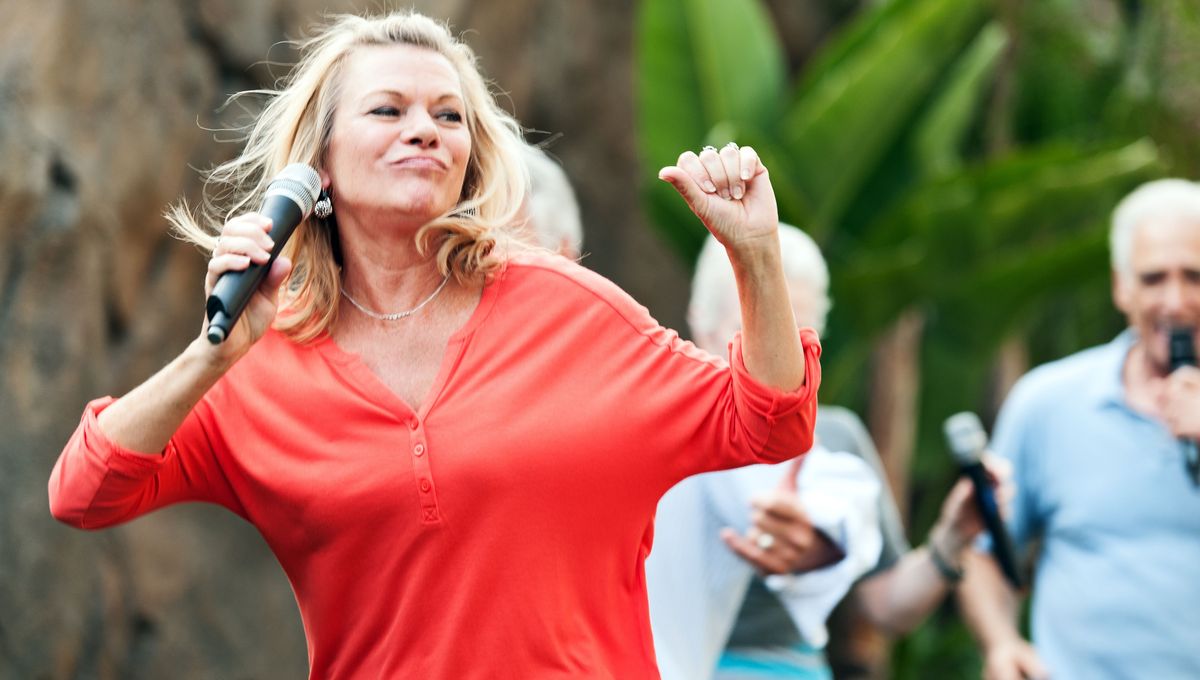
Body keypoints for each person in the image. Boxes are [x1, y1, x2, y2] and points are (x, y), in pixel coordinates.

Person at [46, 11, 821, 679]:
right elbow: (84, 493)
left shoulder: (567, 309)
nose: (425, 127)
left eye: (449, 116)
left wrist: (754, 259)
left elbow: (769, 420)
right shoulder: (255, 362)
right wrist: (211, 354)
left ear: (470, 157)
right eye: (388, 110)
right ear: (317, 168)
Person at [647, 228, 999, 680]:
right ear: (700, 322)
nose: (773, 359)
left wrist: (951, 538)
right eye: (751, 332)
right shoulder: (655, 432)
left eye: (796, 341)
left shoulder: (834, 442)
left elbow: (885, 605)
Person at [957, 178, 1200, 680]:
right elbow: (982, 552)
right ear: (1121, 287)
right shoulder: (1048, 401)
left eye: (1194, 277)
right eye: (1154, 279)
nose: (1175, 301)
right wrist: (1002, 644)